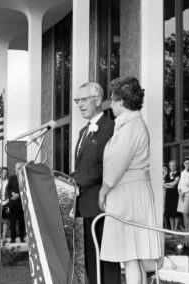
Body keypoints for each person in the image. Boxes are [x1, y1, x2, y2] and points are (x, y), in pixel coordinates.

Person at [98, 76, 161, 284]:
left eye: (112, 100)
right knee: (132, 255)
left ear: (120, 102)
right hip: (131, 191)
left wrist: (104, 190)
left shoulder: (131, 126)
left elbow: (117, 163)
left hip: (128, 193)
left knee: (130, 254)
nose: (110, 104)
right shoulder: (129, 124)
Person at [71, 82, 120, 284]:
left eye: (84, 100)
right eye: (77, 100)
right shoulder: (83, 131)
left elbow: (107, 166)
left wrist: (75, 180)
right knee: (91, 261)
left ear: (98, 100)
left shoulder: (111, 127)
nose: (79, 105)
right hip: (84, 207)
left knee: (106, 262)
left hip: (101, 206)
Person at [177, 156, 189, 231]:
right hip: (181, 193)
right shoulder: (182, 172)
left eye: (188, 163)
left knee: (186, 212)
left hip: (188, 193)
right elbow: (180, 183)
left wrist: (183, 192)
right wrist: (179, 191)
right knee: (183, 213)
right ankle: (186, 230)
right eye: (185, 163)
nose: (187, 164)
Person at [7, 174, 25, 243]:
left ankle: (22, 238)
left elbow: (26, 189)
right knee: (12, 222)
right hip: (13, 203)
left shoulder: (24, 177)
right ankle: (13, 238)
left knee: (21, 222)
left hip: (21, 203)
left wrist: (19, 195)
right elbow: (8, 188)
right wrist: (12, 193)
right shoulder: (12, 178)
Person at [164, 160, 181, 231]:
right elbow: (163, 184)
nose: (172, 167)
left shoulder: (178, 173)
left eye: (174, 165)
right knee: (169, 212)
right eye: (171, 165)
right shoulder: (167, 173)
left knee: (175, 212)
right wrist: (170, 184)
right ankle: (172, 228)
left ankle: (175, 228)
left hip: (175, 195)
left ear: (176, 166)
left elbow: (175, 184)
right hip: (168, 195)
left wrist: (167, 184)